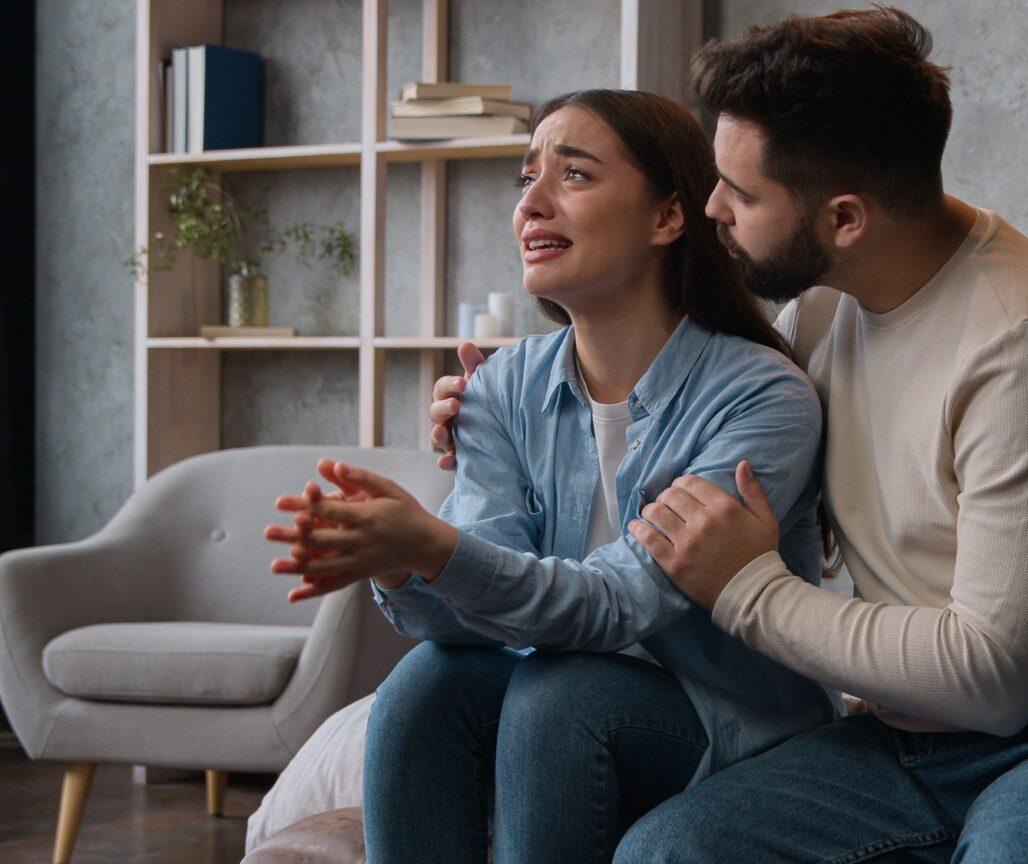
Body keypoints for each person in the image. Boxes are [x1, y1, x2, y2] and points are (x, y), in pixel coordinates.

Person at [432, 8, 1028, 863]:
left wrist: (747, 589)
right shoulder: (821, 312)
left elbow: (994, 680)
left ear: (846, 218)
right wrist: (489, 418)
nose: (711, 208)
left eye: (741, 194)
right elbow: (689, 431)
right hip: (900, 741)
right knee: (665, 853)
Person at [264, 88, 835, 864]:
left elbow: (615, 606)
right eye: (525, 178)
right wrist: (405, 569)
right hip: (558, 715)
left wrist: (436, 550)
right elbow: (467, 626)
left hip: (727, 723)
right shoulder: (499, 387)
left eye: (573, 176)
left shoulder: (760, 399)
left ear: (669, 216)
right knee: (425, 684)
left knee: (559, 695)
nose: (531, 203)